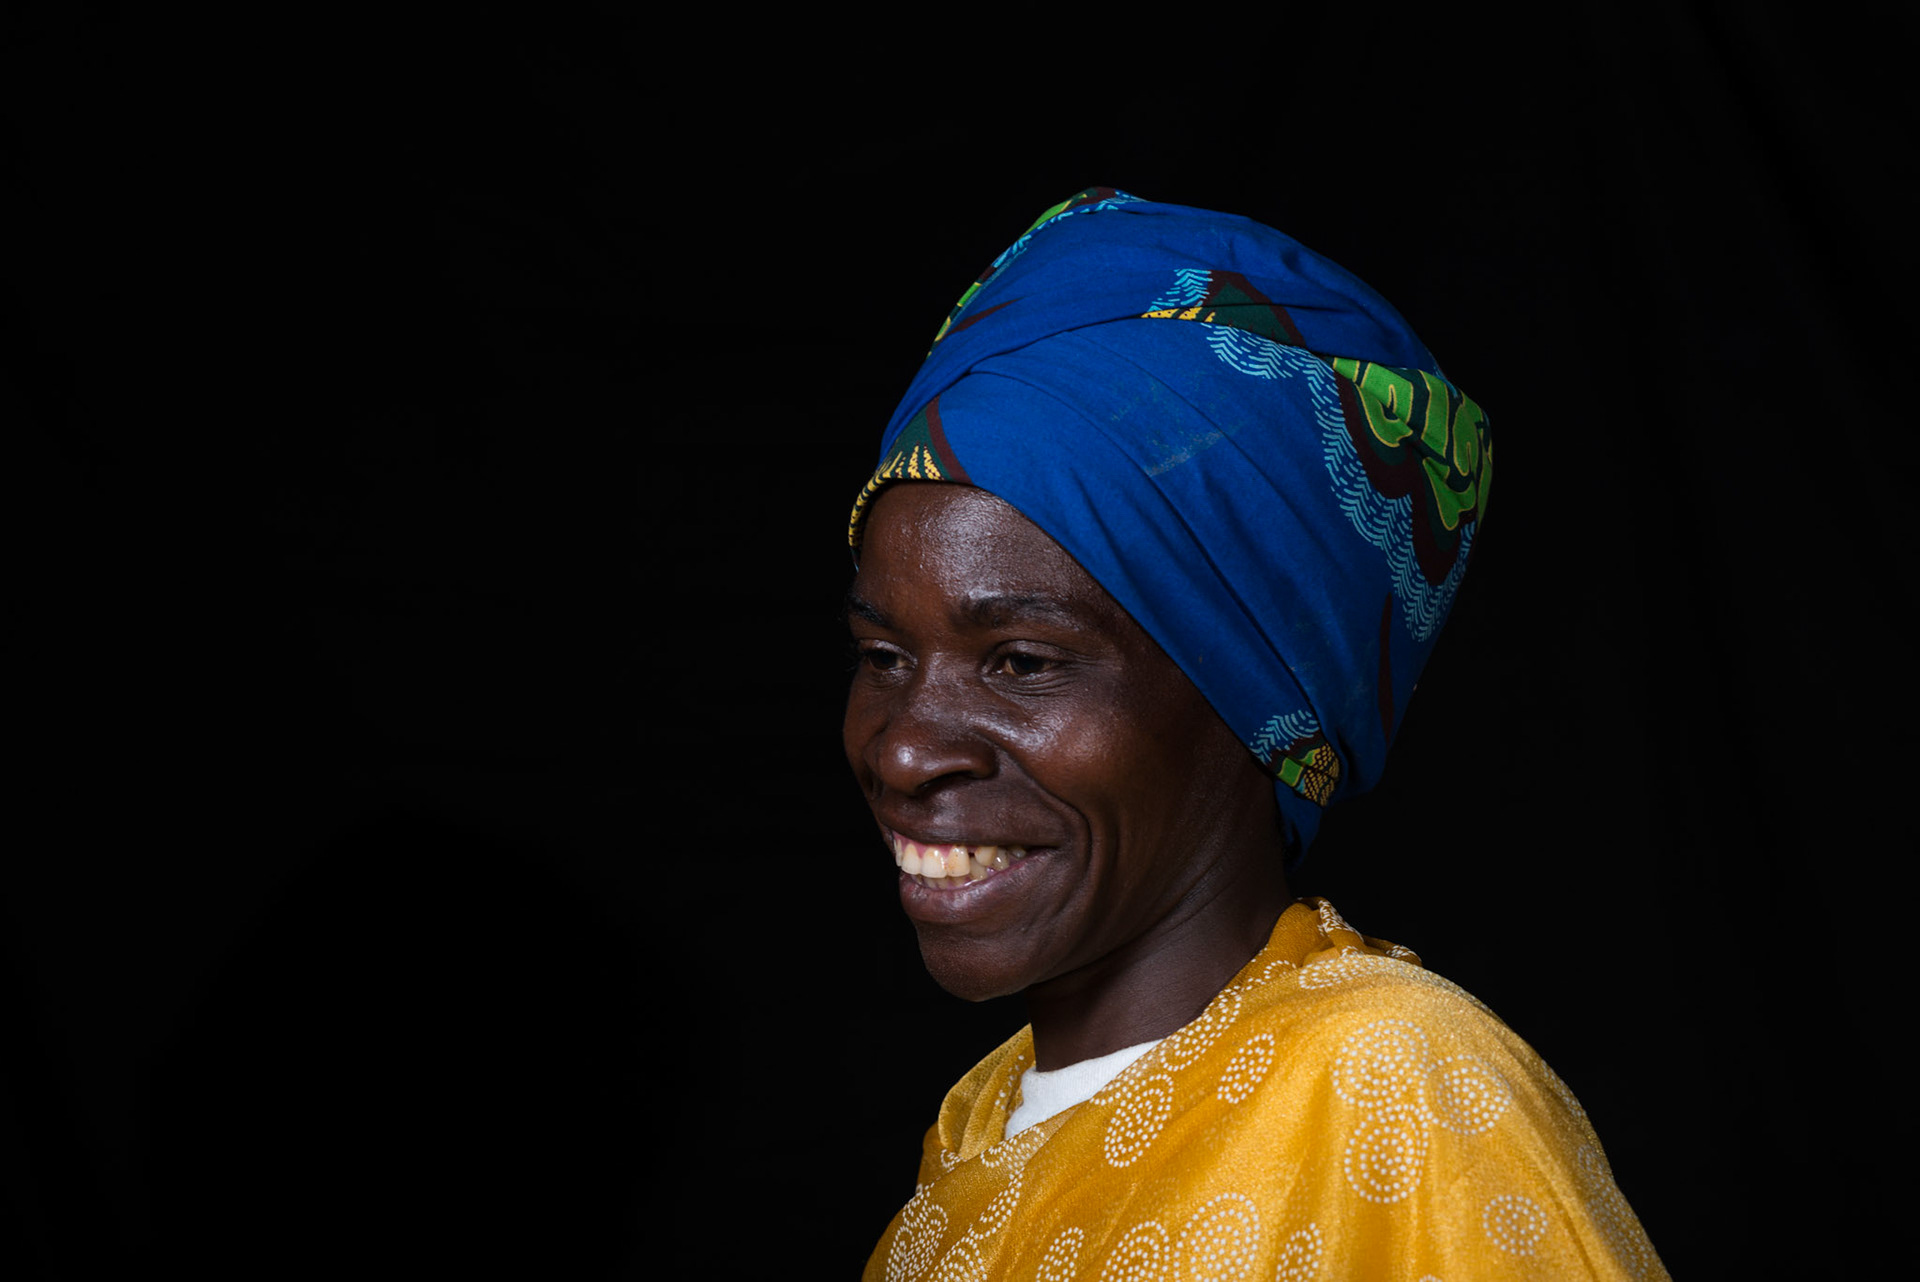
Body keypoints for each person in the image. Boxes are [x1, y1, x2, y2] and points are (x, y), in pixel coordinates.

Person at [845, 189, 1665, 1280]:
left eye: (1024, 663)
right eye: (883, 656)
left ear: (1258, 698)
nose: (904, 750)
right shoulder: (976, 1133)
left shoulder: (1396, 1093)